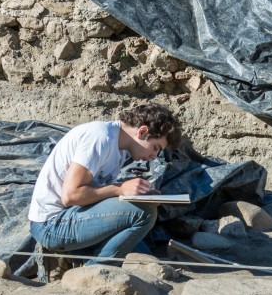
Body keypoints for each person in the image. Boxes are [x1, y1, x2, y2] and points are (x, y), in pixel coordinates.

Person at [28, 103, 182, 266]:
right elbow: (71, 195)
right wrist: (120, 189)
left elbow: (97, 190)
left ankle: (82, 259)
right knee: (144, 213)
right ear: (142, 132)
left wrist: (138, 194)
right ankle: (95, 271)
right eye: (155, 148)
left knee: (142, 255)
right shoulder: (100, 137)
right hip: (52, 224)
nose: (154, 156)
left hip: (73, 216)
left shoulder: (118, 148)